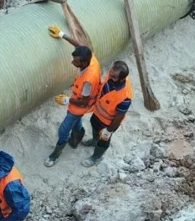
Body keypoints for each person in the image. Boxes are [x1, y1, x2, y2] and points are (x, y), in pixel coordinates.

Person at [45, 25, 101, 167]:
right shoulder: (90, 57)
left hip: (80, 105)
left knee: (63, 130)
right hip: (79, 99)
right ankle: (77, 136)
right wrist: (63, 34)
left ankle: (55, 154)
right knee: (75, 123)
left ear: (84, 62)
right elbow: (80, 46)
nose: (72, 62)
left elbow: (83, 101)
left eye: (75, 62)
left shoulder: (88, 80)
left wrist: (67, 100)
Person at [81, 60, 133, 167]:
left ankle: (96, 157)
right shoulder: (111, 76)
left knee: (103, 140)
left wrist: (108, 131)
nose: (110, 77)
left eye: (114, 77)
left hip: (108, 122)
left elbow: (119, 117)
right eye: (110, 73)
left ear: (122, 79)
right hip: (98, 113)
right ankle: (94, 140)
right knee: (94, 125)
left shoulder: (125, 97)